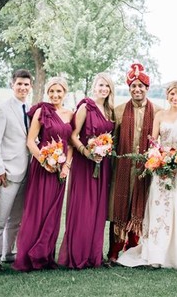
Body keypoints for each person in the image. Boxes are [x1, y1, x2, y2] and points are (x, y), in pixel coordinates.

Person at [116, 81, 177, 270]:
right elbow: (153, 142)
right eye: (172, 94)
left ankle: (176, 252)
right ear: (167, 95)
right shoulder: (160, 115)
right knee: (158, 206)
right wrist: (158, 159)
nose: (175, 98)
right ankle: (155, 251)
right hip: (159, 168)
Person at [14, 77, 73, 271]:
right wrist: (44, 161)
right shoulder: (42, 111)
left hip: (60, 170)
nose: (55, 95)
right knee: (36, 210)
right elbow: (31, 141)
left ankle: (46, 256)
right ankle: (28, 257)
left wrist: (66, 167)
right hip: (42, 167)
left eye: (59, 92)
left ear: (65, 92)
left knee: (53, 212)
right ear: (47, 93)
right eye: (52, 92)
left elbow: (71, 143)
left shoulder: (70, 114)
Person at [58, 73, 116, 269]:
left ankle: (93, 255)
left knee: (98, 209)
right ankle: (77, 255)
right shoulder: (85, 106)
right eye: (101, 85)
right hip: (85, 164)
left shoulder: (110, 110)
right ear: (94, 86)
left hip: (103, 165)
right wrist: (87, 152)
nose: (104, 89)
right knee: (84, 207)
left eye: (107, 86)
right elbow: (73, 136)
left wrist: (103, 150)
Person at [107, 62, 162, 264]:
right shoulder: (119, 111)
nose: (137, 90)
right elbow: (111, 140)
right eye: (133, 86)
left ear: (147, 88)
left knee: (141, 207)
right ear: (129, 88)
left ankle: (134, 249)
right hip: (122, 170)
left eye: (141, 86)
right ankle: (113, 251)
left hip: (145, 170)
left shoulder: (158, 111)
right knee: (118, 207)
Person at [0, 69, 32, 271]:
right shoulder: (2, 109)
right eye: (19, 84)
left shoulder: (30, 109)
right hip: (7, 173)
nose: (22, 87)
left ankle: (8, 253)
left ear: (30, 87)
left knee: (16, 219)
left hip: (26, 172)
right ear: (12, 84)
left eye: (26, 84)